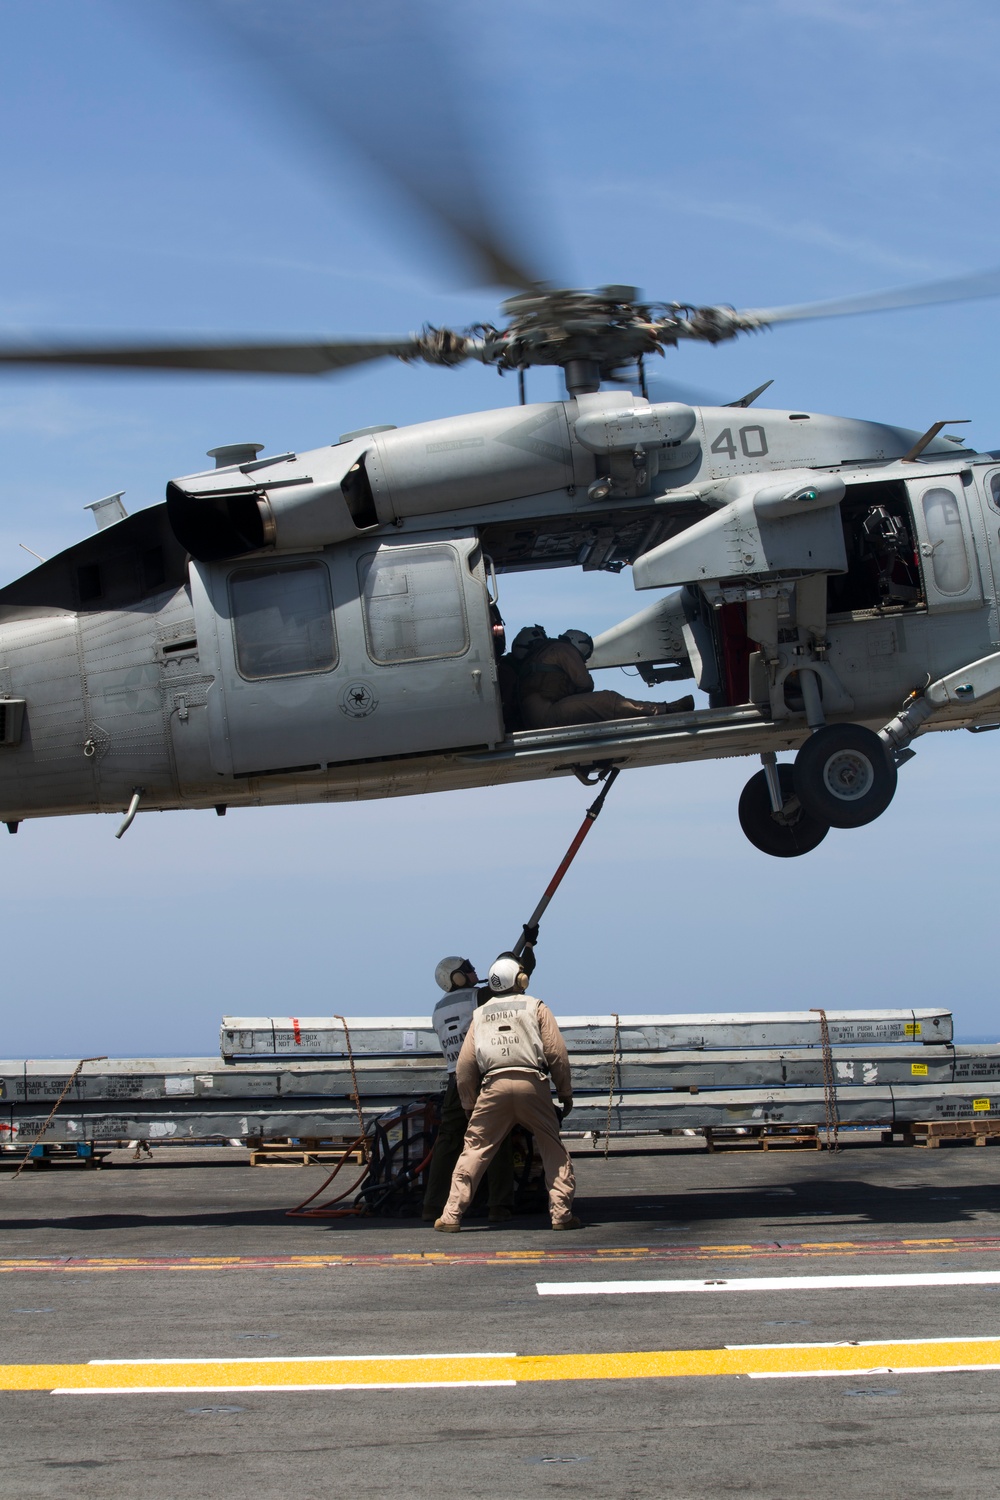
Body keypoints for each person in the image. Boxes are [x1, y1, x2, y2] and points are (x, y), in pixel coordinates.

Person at [434, 951, 580, 1233]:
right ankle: (561, 1215)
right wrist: (564, 1092)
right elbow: (557, 1053)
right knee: (552, 1149)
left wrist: (469, 1103)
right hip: (531, 1084)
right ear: (521, 979)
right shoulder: (535, 1006)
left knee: (475, 1150)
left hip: (492, 1087)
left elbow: (465, 1065)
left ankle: (451, 1216)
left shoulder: (479, 1013)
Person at [422, 956, 515, 1223]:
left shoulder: (438, 1009)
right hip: (483, 1074)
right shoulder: (478, 997)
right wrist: (523, 950)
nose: (475, 972)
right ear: (457, 977)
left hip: (455, 1079)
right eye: (468, 970)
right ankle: (499, 1205)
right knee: (497, 1135)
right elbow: (510, 979)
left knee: (448, 1141)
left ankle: (432, 1204)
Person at [517, 627, 694, 729]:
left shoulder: (540, 655)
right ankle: (665, 710)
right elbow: (585, 683)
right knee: (606, 700)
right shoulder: (563, 649)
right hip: (548, 715)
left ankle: (660, 708)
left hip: (535, 717)